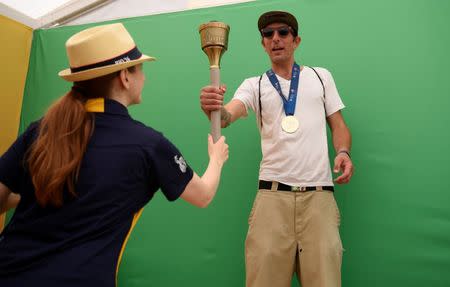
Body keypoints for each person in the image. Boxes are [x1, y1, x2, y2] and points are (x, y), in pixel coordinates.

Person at [0, 23, 228, 286]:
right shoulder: (148, 145)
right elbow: (203, 195)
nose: (145, 77)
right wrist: (216, 159)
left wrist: (45, 186)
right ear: (125, 77)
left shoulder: (41, 129)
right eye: (140, 68)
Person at [200, 10, 354, 287]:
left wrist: (343, 152)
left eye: (283, 32)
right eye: (268, 34)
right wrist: (213, 108)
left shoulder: (321, 78)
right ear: (263, 43)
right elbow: (226, 117)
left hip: (318, 198)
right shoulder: (254, 85)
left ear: (296, 41)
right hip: (272, 199)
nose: (276, 38)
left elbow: (339, 125)